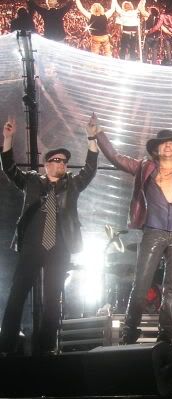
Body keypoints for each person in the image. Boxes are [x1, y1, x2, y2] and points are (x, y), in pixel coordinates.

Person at [93, 115, 172, 345]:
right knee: (141, 284)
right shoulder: (145, 168)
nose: (168, 146)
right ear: (156, 150)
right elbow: (116, 158)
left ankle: (166, 334)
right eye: (163, 143)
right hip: (153, 231)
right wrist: (98, 134)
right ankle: (130, 331)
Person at [0, 115, 99, 356]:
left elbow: (90, 170)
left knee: (53, 298)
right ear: (46, 164)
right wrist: (8, 139)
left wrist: (91, 138)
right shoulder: (32, 181)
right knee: (18, 293)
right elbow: (9, 169)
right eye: (56, 160)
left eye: (64, 161)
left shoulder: (72, 184)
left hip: (60, 247)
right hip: (32, 245)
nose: (61, 163)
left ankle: (46, 347)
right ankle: (6, 345)